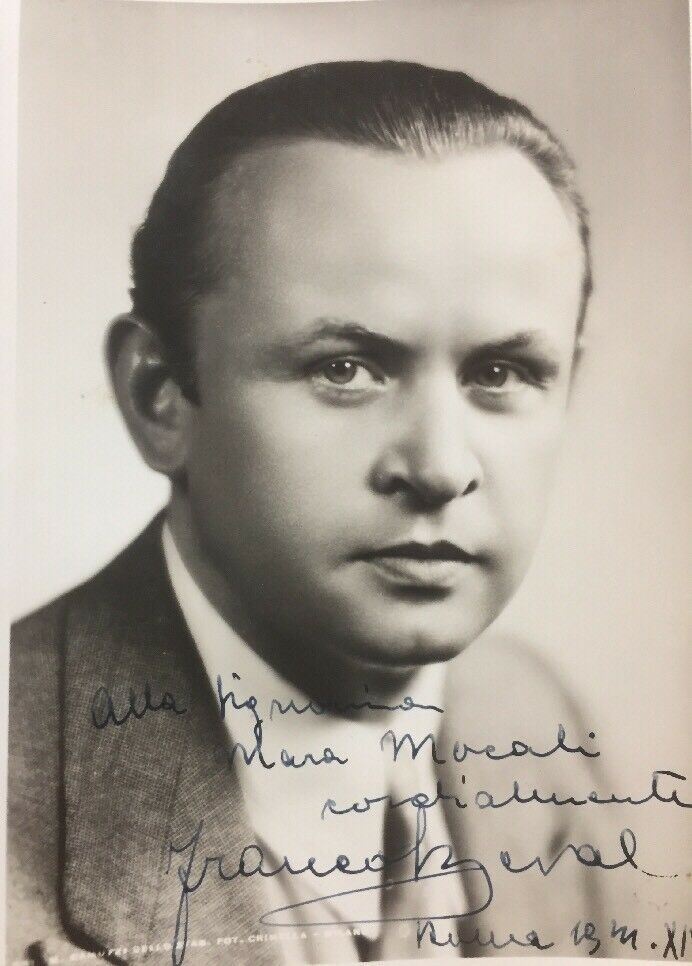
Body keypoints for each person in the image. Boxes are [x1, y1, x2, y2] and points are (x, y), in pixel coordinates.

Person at [8, 61, 616, 965]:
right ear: (160, 395)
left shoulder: (530, 720)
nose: (441, 468)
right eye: (344, 368)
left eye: (502, 374)